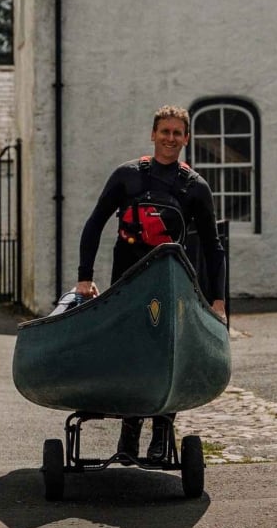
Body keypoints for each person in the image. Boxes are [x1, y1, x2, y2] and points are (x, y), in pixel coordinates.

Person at [75, 104, 226, 464]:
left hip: (172, 283)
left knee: (168, 356)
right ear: (153, 134)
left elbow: (213, 247)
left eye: (177, 133)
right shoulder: (127, 176)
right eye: (165, 131)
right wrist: (84, 277)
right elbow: (94, 224)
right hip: (127, 282)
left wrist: (218, 300)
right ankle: (129, 435)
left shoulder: (195, 187)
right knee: (130, 356)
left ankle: (161, 432)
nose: (170, 138)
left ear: (186, 138)